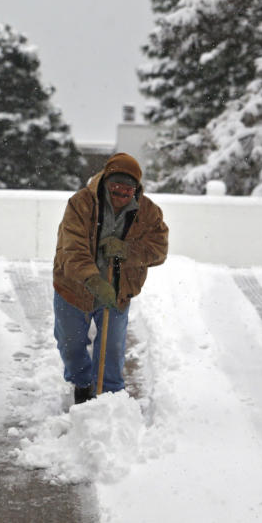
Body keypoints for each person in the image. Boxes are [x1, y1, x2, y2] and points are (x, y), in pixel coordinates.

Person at [52, 152, 169, 404]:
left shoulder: (148, 212)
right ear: (105, 181)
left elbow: (159, 250)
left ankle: (110, 399)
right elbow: (71, 248)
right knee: (70, 346)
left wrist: (126, 251)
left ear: (136, 189)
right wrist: (93, 280)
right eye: (115, 187)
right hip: (73, 287)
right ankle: (82, 384)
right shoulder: (81, 203)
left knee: (112, 350)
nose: (120, 194)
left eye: (127, 190)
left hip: (118, 291)